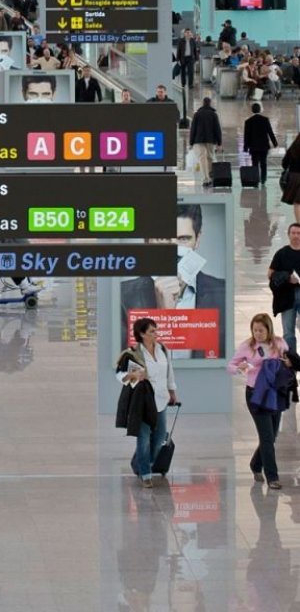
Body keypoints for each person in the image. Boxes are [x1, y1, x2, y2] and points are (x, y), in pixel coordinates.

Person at [120, 203, 226, 359]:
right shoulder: (121, 298)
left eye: (183, 239)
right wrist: (163, 316)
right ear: (147, 240)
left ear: (197, 240)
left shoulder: (224, 294)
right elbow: (127, 367)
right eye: (162, 238)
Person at [227, 313, 290, 488]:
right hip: (256, 394)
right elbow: (230, 366)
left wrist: (287, 364)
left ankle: (256, 464)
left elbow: (289, 360)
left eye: (261, 330)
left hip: (275, 393)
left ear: (268, 329)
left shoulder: (279, 343)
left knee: (272, 435)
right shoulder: (247, 346)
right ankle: (272, 477)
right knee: (267, 437)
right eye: (255, 330)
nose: (258, 334)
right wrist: (240, 368)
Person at [115, 317, 177, 488]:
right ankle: (145, 473)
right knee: (143, 439)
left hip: (161, 399)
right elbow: (120, 374)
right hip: (144, 402)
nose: (156, 334)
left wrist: (172, 392)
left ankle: (142, 464)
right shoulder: (133, 353)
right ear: (142, 334)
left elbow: (169, 372)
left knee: (159, 438)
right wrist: (132, 376)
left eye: (155, 330)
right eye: (151, 331)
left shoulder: (162, 349)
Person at [268, 223, 300, 352]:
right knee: (288, 332)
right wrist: (287, 277)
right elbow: (270, 273)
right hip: (287, 297)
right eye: (293, 233)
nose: (296, 236)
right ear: (288, 235)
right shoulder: (282, 253)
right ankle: (291, 363)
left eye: (298, 233)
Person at [189, 96, 222, 187]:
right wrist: (219, 142)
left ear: (202, 103)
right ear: (210, 103)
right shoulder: (213, 114)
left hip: (198, 140)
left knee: (202, 159)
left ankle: (205, 179)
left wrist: (191, 142)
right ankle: (210, 177)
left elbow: (193, 129)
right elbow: (217, 129)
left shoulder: (197, 114)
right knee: (210, 157)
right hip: (210, 140)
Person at [243, 102, 278, 184]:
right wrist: (275, 143)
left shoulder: (248, 121)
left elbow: (246, 135)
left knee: (254, 163)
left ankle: (255, 178)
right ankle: (263, 179)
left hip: (253, 146)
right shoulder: (265, 120)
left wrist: (245, 147)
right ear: (260, 110)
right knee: (264, 163)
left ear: (252, 110)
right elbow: (270, 132)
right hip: (264, 146)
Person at [280, 134, 300, 225]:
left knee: (297, 203)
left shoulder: (293, 149)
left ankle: (299, 223)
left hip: (294, 178)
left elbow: (284, 164)